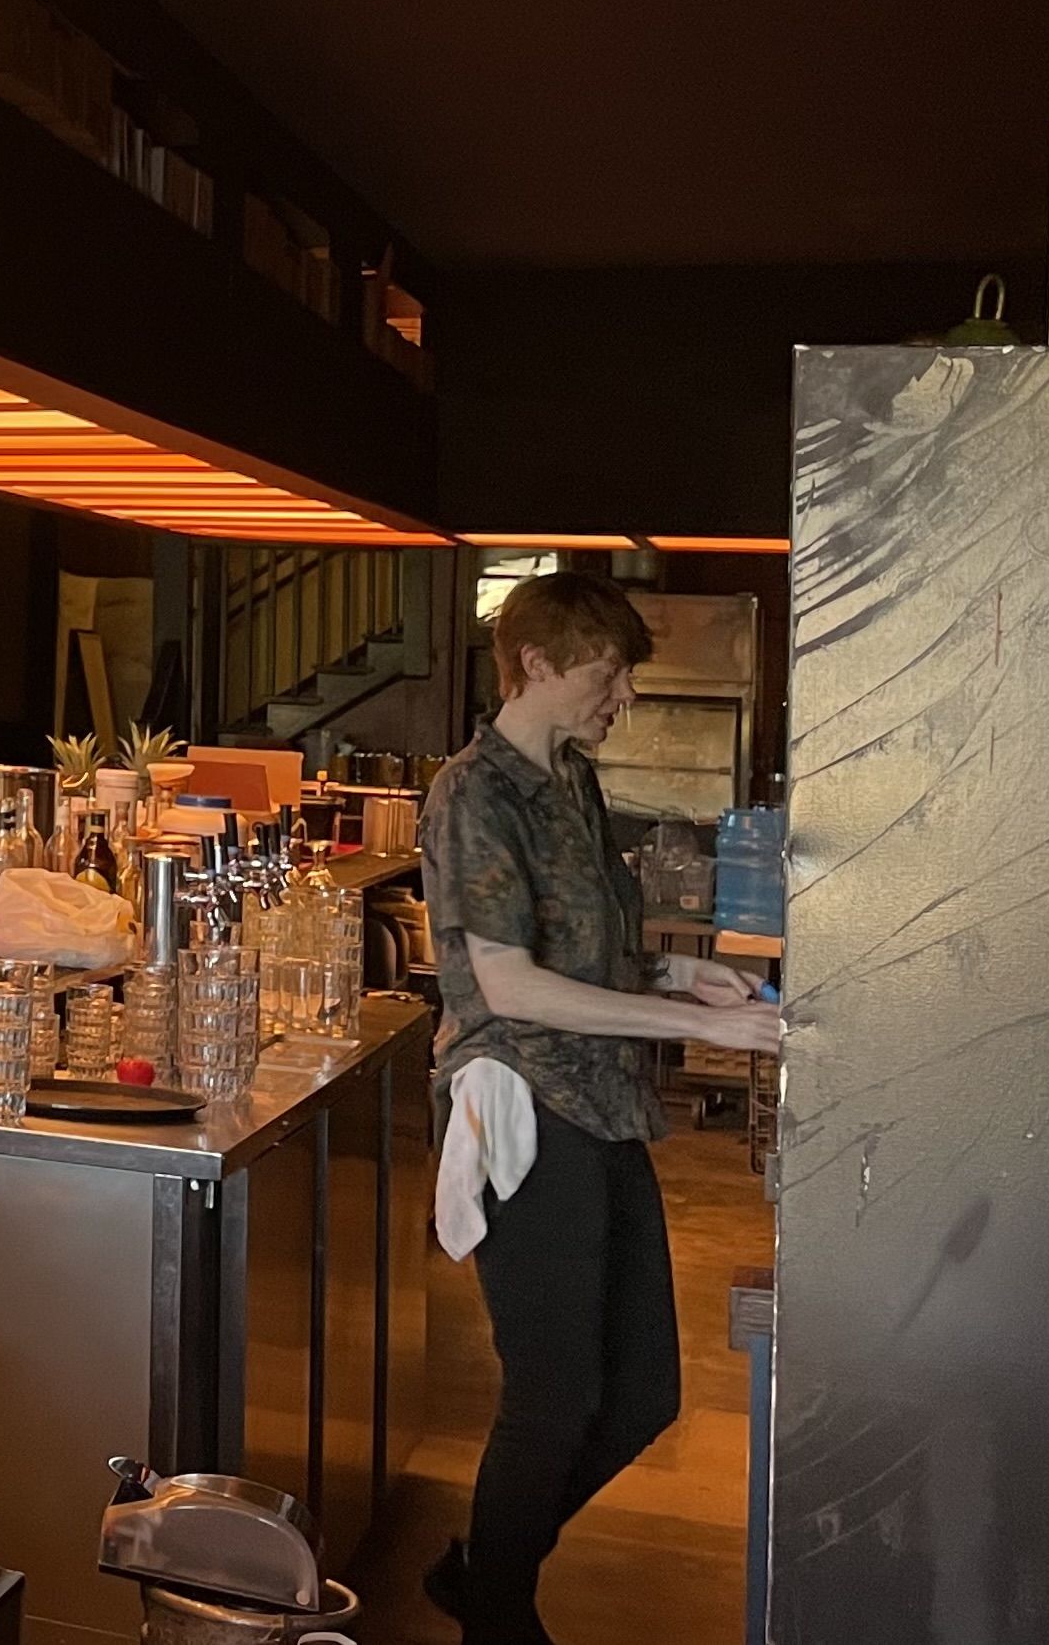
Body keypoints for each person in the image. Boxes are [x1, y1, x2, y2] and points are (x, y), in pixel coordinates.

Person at [420, 569, 781, 1645]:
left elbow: (590, 951)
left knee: (642, 1397)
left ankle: (485, 1573)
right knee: (551, 1396)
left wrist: (684, 979)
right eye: (608, 672)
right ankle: (497, 1614)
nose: (623, 694)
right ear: (535, 663)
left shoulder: (571, 779)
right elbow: (510, 986)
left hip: (604, 1104)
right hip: (527, 1106)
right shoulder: (473, 795)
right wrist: (703, 1030)